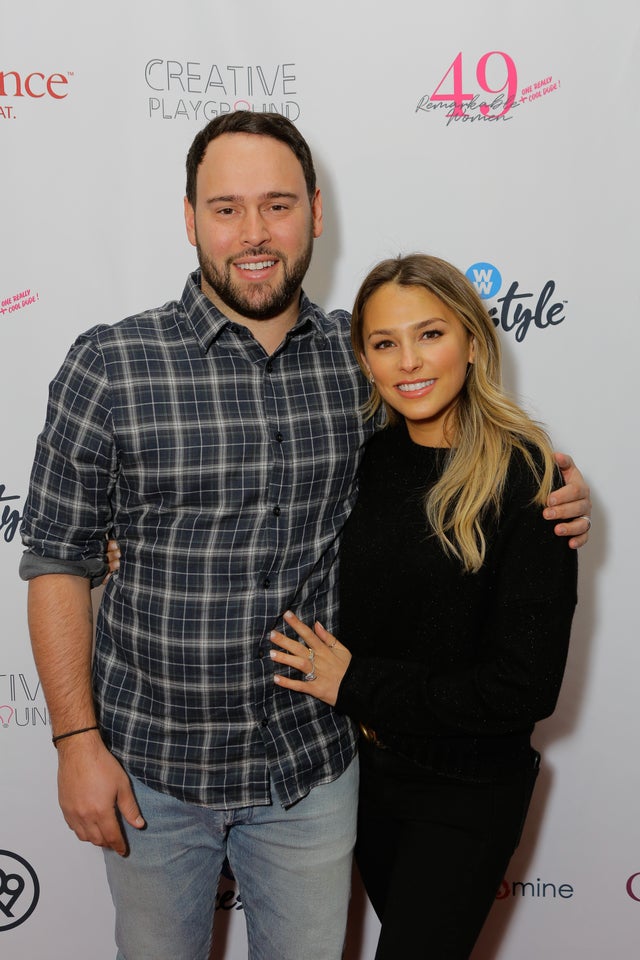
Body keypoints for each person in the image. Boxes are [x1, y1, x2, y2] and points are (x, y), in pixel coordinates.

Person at [20, 113, 589, 960]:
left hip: (312, 773)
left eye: (277, 205)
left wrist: (550, 484)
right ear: (189, 219)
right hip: (154, 772)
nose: (254, 234)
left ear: (316, 213)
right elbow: (58, 560)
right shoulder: (110, 365)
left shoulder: (354, 364)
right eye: (226, 208)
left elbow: (444, 438)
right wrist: (75, 744)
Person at [270, 253, 579, 959]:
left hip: (467, 792)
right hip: (365, 782)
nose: (409, 360)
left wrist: (357, 685)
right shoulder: (363, 462)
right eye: (384, 343)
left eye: (431, 334)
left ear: (473, 342)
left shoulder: (527, 477)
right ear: (366, 361)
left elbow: (524, 687)